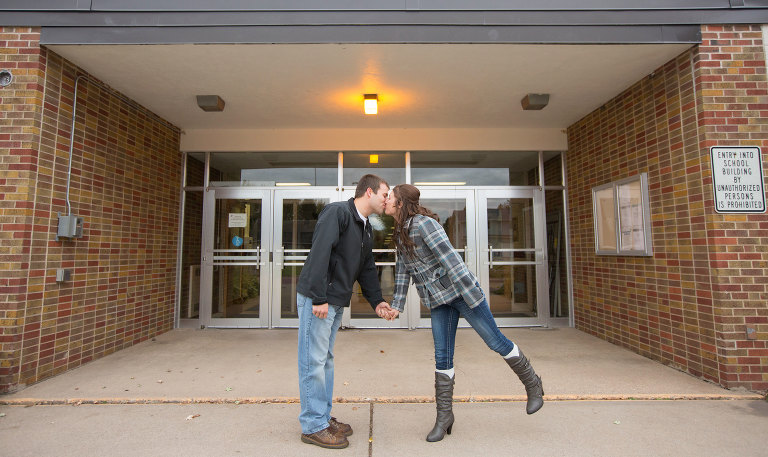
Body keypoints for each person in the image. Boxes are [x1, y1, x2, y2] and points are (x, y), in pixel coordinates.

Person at [382, 184, 544, 443]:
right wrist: (397, 306)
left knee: (495, 341)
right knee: (442, 356)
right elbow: (402, 272)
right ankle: (444, 416)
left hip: (461, 293)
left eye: (389, 197)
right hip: (439, 301)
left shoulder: (424, 224)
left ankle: (533, 384)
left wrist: (472, 298)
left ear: (400, 202)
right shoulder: (400, 233)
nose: (385, 201)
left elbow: (452, 261)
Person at [296, 174, 395, 449]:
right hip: (319, 299)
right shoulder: (337, 213)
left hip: (335, 301)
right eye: (385, 194)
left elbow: (366, 267)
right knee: (312, 361)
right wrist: (318, 297)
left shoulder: (366, 227)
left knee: (324, 360)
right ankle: (313, 425)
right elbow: (320, 253)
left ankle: (323, 417)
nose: (387, 200)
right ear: (369, 192)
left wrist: (377, 301)